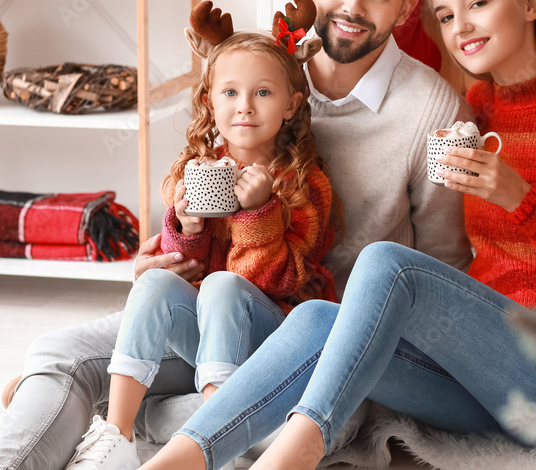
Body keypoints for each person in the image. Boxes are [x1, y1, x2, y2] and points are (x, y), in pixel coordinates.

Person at [0, 0, 472, 470]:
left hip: (319, 349)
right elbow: (198, 181)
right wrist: (162, 252)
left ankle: (120, 418)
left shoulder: (432, 110)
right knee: (58, 354)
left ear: (406, 8)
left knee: (315, 423)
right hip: (212, 312)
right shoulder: (259, 70)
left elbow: (441, 266)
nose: (352, 7)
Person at [134, 0, 536, 470]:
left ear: (531, 4)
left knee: (384, 260)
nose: (461, 28)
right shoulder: (478, 109)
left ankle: (302, 444)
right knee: (314, 318)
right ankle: (182, 459)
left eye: (478, 3)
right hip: (477, 385)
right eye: (446, 15)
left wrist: (522, 202)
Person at [63, 26, 341, 469]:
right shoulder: (197, 172)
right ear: (211, 99)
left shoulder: (304, 183)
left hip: (273, 342)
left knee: (223, 287)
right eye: (229, 91)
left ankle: (215, 437)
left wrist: (259, 213)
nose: (244, 105)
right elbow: (183, 273)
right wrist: (186, 227)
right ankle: (116, 435)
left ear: (290, 104)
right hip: (208, 339)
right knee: (155, 281)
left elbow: (283, 281)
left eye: (263, 92)